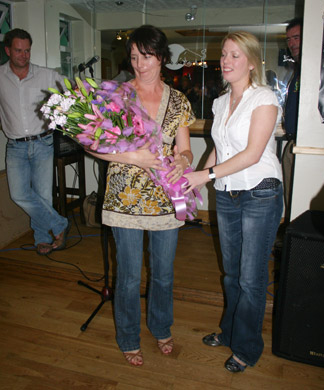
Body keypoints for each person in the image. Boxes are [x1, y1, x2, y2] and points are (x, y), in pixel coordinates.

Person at [87, 25, 195, 366]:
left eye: (146, 56)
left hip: (165, 198)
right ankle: (128, 336)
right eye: (133, 56)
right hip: (125, 198)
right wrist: (133, 157)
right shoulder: (116, 95)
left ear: (161, 57)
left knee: (163, 273)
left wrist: (182, 160)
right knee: (129, 275)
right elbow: (95, 146)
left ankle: (161, 327)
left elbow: (187, 150)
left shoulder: (178, 101)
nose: (139, 63)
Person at [184, 31, 283, 372]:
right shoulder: (220, 102)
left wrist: (205, 176)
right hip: (226, 193)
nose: (226, 61)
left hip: (261, 191)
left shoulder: (265, 98)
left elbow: (253, 154)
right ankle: (229, 332)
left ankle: (247, 348)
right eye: (224, 54)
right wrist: (198, 176)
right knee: (231, 275)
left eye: (235, 55)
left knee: (251, 278)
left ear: (252, 62)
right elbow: (220, 148)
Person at [0, 29, 70, 256]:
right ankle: (59, 224)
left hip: (43, 143)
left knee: (42, 196)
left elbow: (74, 94)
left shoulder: (47, 75)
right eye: (18, 50)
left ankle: (42, 239)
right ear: (8, 50)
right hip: (15, 146)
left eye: (27, 51)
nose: (23, 55)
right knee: (19, 194)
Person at [282, 18, 303, 223]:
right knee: (290, 196)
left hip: (302, 144)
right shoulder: (298, 70)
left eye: (296, 37)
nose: (292, 43)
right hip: (293, 142)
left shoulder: (315, 69)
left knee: (298, 197)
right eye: (289, 39)